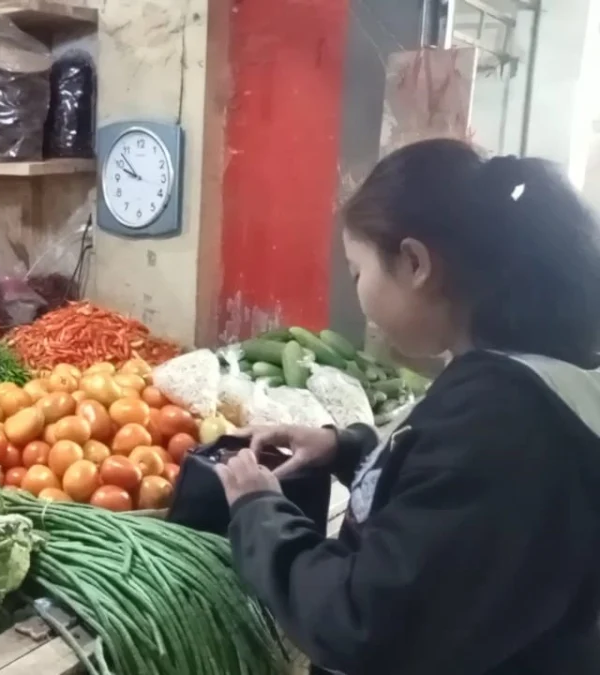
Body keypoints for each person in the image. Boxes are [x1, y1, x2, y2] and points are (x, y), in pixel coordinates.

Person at [216, 139, 600, 675]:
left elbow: (359, 620)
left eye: (356, 271)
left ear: (415, 262)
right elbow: (450, 511)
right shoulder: (530, 380)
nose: (358, 297)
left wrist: (260, 514)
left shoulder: (503, 420)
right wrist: (346, 450)